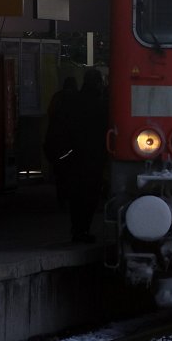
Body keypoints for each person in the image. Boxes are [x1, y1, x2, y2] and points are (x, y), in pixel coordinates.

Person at [69, 68, 108, 243]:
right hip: (94, 155)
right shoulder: (100, 104)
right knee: (90, 195)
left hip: (76, 154)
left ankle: (77, 229)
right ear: (98, 83)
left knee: (77, 195)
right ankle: (83, 230)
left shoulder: (75, 100)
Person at [44, 76, 79, 212]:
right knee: (72, 173)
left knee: (60, 173)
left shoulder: (57, 98)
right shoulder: (77, 98)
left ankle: (61, 199)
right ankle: (71, 199)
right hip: (72, 142)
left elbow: (50, 113)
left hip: (57, 141)